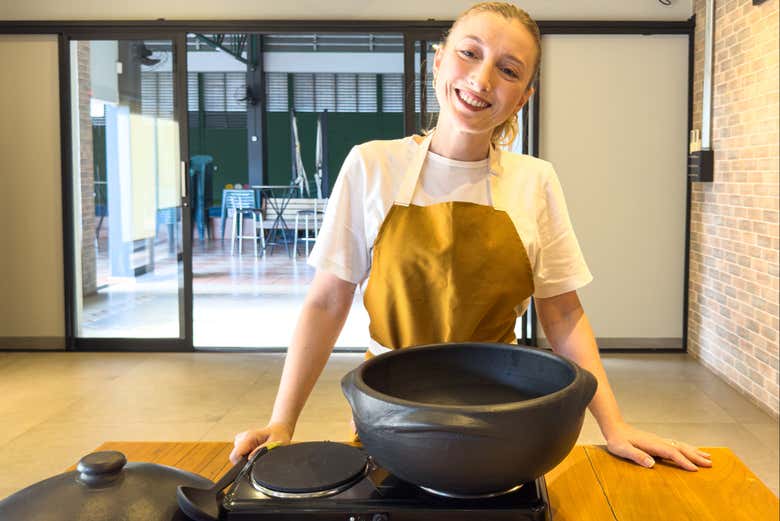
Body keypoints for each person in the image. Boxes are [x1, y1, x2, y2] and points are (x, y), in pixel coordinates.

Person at [231, 1, 712, 473]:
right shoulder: (372, 165)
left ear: (523, 97)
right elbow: (326, 302)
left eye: (508, 70)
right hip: (388, 410)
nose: (482, 80)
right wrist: (282, 422)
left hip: (500, 414)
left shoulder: (534, 181)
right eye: (469, 53)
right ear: (438, 61)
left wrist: (615, 426)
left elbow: (563, 313)